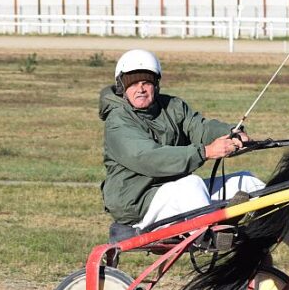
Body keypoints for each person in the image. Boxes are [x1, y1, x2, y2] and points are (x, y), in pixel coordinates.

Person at [99, 49, 261, 230]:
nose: (141, 89)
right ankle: (212, 233)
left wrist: (233, 133)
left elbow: (200, 127)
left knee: (247, 182)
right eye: (133, 84)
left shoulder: (172, 106)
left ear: (156, 85)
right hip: (137, 202)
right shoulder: (118, 121)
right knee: (191, 185)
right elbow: (148, 157)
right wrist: (206, 152)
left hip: (176, 193)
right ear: (122, 87)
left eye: (146, 83)